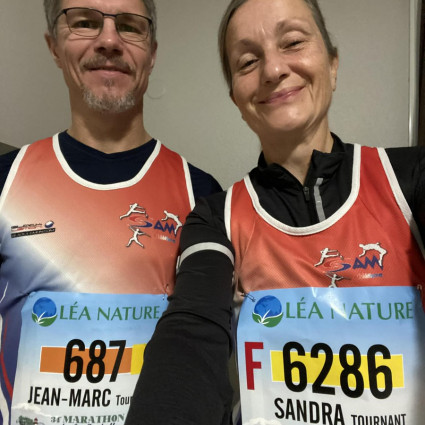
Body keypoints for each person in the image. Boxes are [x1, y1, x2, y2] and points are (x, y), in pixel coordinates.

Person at [125, 0, 425, 424]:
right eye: (248, 61)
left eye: (293, 42)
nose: (273, 69)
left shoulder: (410, 178)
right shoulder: (215, 217)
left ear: (332, 63)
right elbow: (190, 333)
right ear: (236, 97)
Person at [0, 1, 221, 424]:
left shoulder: (204, 196)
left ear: (152, 52)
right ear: (54, 45)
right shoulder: (6, 181)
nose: (108, 40)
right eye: (84, 22)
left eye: (130, 26)